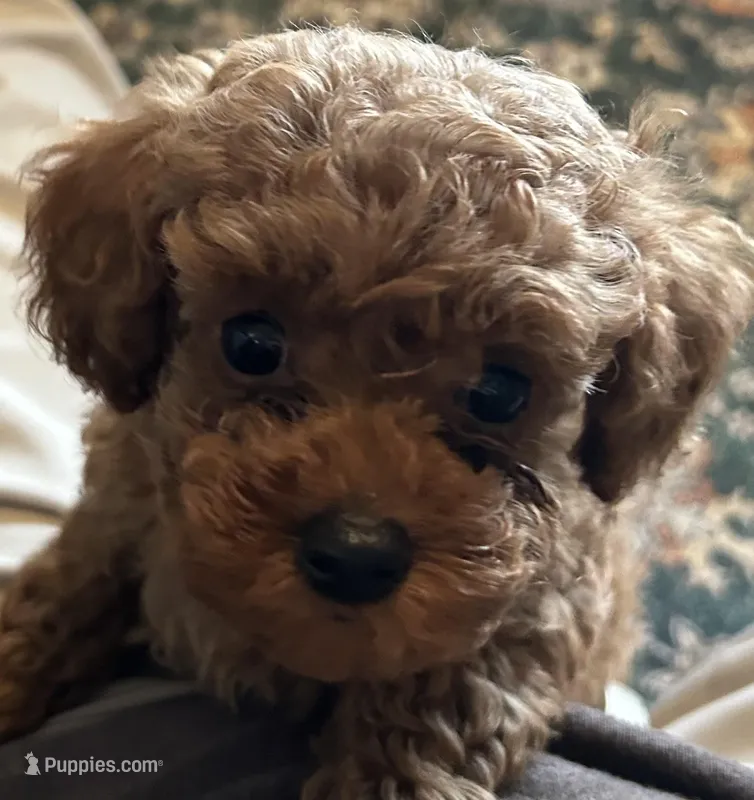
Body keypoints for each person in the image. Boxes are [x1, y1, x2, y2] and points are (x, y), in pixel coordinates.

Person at [0, 1, 752, 797]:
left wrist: (411, 760)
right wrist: (41, 638)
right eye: (256, 349)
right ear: (146, 303)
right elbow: (96, 553)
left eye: (496, 394)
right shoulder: (134, 444)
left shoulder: (519, 608)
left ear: (622, 393)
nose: (358, 502)